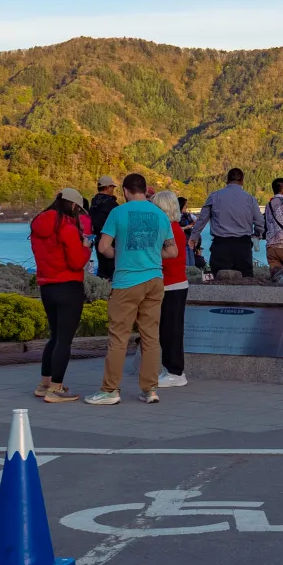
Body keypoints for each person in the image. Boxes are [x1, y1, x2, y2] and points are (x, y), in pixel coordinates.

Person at [87, 173, 175, 406]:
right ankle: (150, 389)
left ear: (125, 191)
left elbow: (104, 246)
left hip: (126, 281)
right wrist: (153, 254)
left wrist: (119, 254)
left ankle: (110, 390)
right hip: (154, 280)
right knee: (151, 337)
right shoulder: (160, 215)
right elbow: (172, 251)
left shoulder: (118, 213)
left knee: (118, 338)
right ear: (145, 190)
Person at [29, 188, 89, 403]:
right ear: (73, 205)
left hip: (47, 287)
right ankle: (56, 388)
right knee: (64, 340)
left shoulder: (39, 225)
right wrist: (87, 247)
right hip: (69, 286)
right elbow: (76, 261)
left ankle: (44, 383)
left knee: (54, 337)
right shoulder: (66, 227)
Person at [191, 168, 264, 277]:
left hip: (221, 245)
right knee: (246, 280)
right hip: (243, 246)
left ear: (227, 180)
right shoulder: (250, 199)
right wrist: (258, 233)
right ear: (242, 181)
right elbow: (259, 222)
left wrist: (194, 236)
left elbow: (202, 219)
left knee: (221, 280)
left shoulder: (214, 196)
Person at [153, 190, 191, 389]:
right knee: (166, 330)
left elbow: (170, 259)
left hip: (172, 285)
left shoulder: (171, 230)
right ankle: (170, 368)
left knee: (171, 331)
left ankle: (176, 371)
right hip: (170, 284)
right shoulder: (173, 228)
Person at [89, 176, 121, 280]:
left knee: (102, 270)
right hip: (111, 242)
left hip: (98, 241)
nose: (113, 190)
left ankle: (101, 291)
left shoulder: (94, 203)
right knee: (113, 271)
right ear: (108, 188)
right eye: (112, 187)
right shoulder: (111, 204)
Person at [177, 196, 206, 271]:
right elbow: (175, 229)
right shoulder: (176, 217)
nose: (186, 207)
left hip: (190, 242)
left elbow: (199, 220)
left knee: (192, 263)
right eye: (185, 205)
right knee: (186, 263)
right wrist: (186, 227)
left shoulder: (188, 215)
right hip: (182, 243)